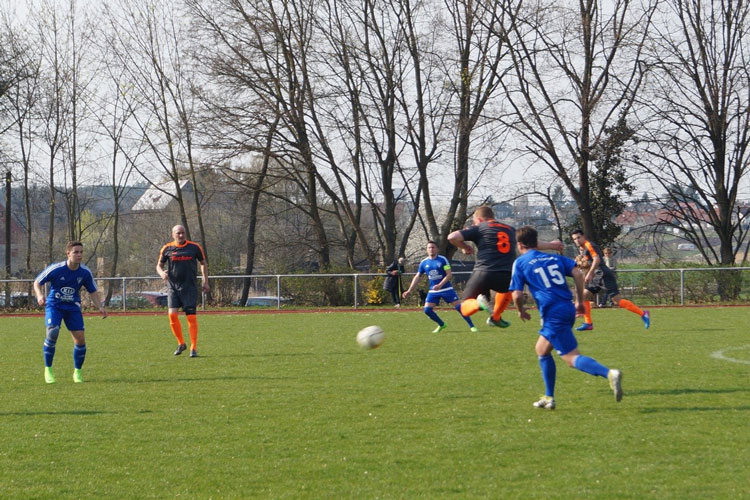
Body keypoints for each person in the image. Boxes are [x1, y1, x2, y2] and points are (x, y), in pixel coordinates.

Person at [509, 226, 623, 409]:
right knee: (541, 350)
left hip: (552, 312)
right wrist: (578, 301)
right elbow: (577, 273)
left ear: (520, 244)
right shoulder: (554, 257)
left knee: (571, 358)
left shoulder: (520, 262)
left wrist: (521, 310)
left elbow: (516, 295)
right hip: (567, 308)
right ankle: (548, 397)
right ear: (536, 241)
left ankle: (609, 373)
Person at [447, 205, 563, 329]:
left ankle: (478, 304)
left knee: (465, 307)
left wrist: (464, 247)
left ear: (479, 220)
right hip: (506, 273)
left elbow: (452, 237)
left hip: (484, 272)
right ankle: (495, 317)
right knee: (507, 290)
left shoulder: (480, 227)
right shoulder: (510, 229)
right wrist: (552, 245)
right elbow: (530, 244)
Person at [34, 241, 108, 384]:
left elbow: (92, 290)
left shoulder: (85, 272)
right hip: (54, 305)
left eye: (81, 252)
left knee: (80, 339)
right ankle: (48, 369)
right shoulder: (56, 269)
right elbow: (37, 282)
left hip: (73, 307)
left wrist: (100, 306)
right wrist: (39, 295)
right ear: (68, 253)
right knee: (52, 332)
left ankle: (77, 372)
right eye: (76, 252)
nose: (79, 255)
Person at [570, 230, 649, 331]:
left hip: (604, 274)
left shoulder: (589, 245)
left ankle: (643, 314)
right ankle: (588, 323)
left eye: (578, 237)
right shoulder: (583, 248)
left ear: (583, 236)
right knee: (584, 295)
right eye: (574, 239)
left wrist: (590, 273)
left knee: (617, 301)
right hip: (597, 275)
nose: (577, 240)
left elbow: (597, 259)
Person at [156, 225, 210, 357]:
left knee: (191, 317)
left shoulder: (194, 247)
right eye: (178, 233)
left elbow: (203, 263)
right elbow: (158, 265)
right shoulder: (167, 248)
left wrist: (205, 281)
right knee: (172, 315)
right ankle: (181, 343)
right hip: (173, 287)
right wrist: (162, 273)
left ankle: (193, 347)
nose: (181, 235)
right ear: (173, 234)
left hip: (189, 288)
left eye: (183, 233)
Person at [402, 241, 478, 333]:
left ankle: (472, 326)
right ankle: (442, 325)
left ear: (437, 249)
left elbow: (449, 274)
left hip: (446, 289)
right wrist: (409, 290)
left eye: (433, 247)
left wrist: (440, 285)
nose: (431, 249)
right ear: (426, 250)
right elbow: (417, 276)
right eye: (429, 247)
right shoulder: (423, 263)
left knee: (459, 307)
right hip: (433, 291)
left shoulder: (442, 260)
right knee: (427, 310)